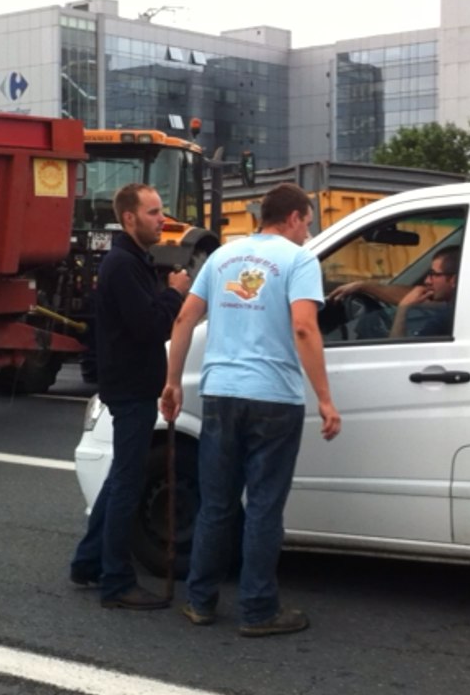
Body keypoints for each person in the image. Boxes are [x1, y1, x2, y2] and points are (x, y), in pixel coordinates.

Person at [160, 182, 341, 637]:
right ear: (295, 217)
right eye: (308, 223)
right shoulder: (299, 260)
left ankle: (200, 602)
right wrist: (324, 396)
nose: (308, 232)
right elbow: (304, 327)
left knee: (216, 504)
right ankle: (258, 609)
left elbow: (185, 317)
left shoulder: (222, 258)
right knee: (262, 507)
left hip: (221, 393)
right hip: (273, 398)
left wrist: (172, 382)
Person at [70, 183, 191, 610]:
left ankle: (88, 562)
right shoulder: (123, 264)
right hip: (133, 389)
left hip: (131, 384)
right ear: (129, 219)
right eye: (154, 212)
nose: (162, 219)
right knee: (127, 482)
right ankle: (117, 582)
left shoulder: (133, 261)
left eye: (161, 210)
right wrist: (175, 292)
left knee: (120, 476)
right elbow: (149, 327)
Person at [327, 246, 461, 338]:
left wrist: (402, 309)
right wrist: (363, 286)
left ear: (453, 280)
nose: (426, 280)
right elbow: (415, 294)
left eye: (433, 274)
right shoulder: (460, 306)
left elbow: (399, 353)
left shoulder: (445, 318)